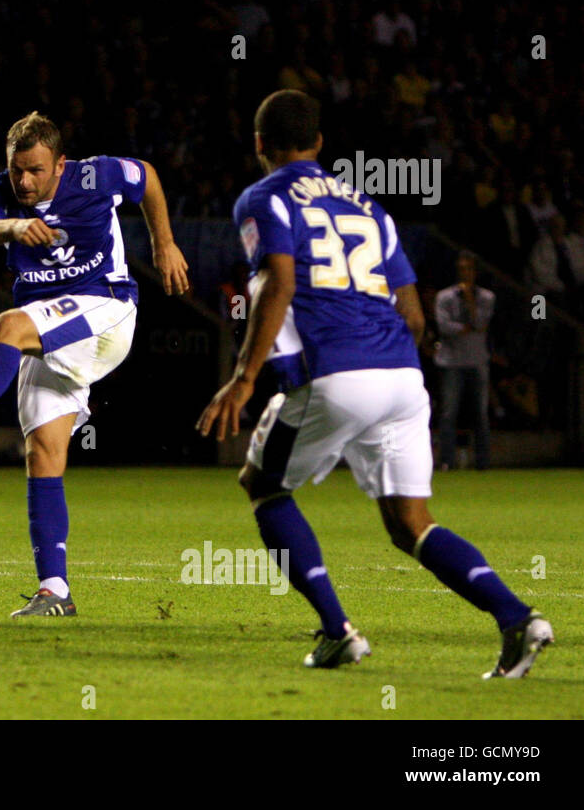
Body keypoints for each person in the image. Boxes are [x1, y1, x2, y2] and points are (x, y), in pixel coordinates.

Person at [197, 90, 552, 678]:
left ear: (259, 144)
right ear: (319, 143)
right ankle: (517, 618)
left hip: (338, 371)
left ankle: (337, 631)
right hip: (403, 374)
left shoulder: (262, 199)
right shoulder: (369, 207)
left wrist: (244, 377)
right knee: (411, 522)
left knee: (262, 483)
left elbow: (278, 283)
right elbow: (415, 315)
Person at [0, 112, 190, 617]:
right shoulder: (1, 192)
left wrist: (164, 243)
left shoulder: (95, 175)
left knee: (8, 326)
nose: (24, 181)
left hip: (106, 311)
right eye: (16, 170)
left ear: (60, 164)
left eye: (35, 170)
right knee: (44, 453)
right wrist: (14, 225)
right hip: (50, 331)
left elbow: (148, 177)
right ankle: (55, 591)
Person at [433, 251, 494, 469]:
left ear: (475, 272)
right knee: (449, 413)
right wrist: (465, 328)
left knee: (481, 414)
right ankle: (447, 461)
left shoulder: (487, 297)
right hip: (451, 362)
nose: (464, 273)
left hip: (477, 361)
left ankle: (483, 462)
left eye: (468, 269)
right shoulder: (444, 297)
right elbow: (444, 327)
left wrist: (469, 303)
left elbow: (481, 324)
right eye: (461, 269)